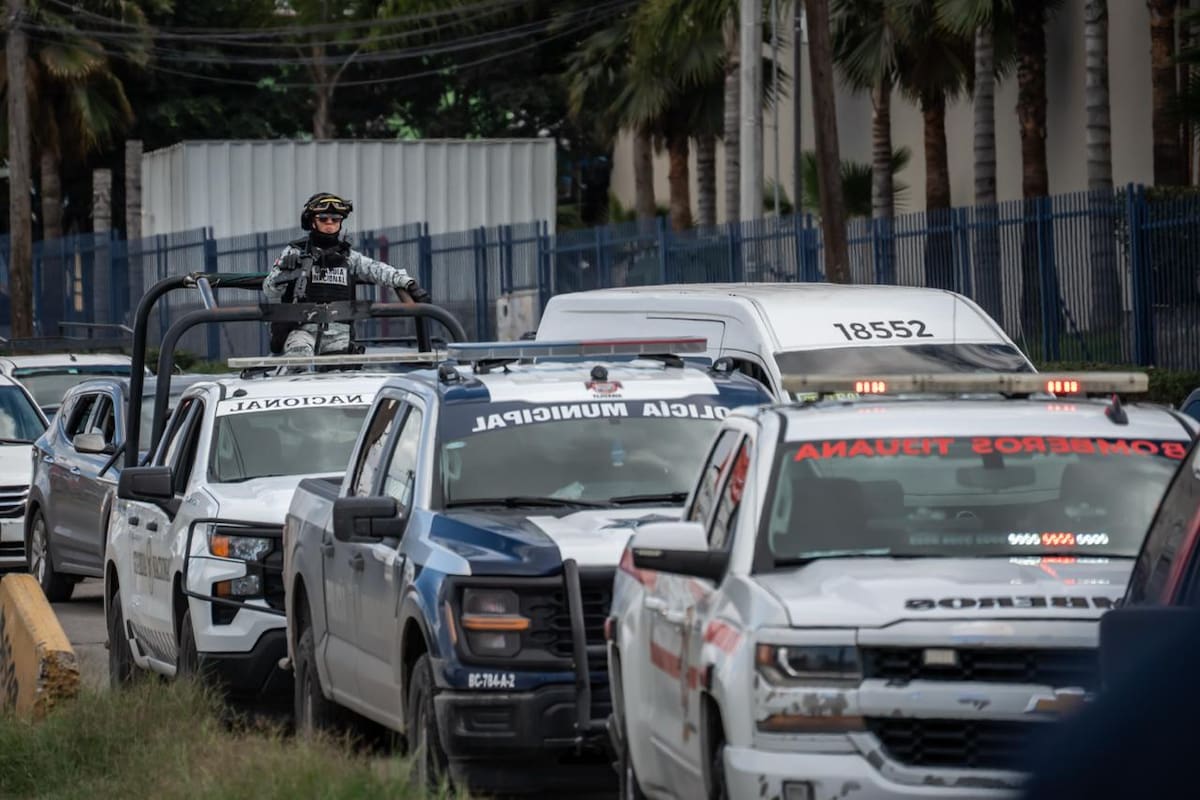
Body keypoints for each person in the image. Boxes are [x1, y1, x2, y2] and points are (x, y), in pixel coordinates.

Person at [262, 192, 431, 356]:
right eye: (323, 219)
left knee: (340, 374)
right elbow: (270, 290)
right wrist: (285, 275)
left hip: (339, 333)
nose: (330, 223)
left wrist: (408, 283)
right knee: (298, 360)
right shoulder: (294, 253)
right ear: (312, 222)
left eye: (335, 219)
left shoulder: (349, 257)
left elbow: (379, 270)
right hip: (301, 330)